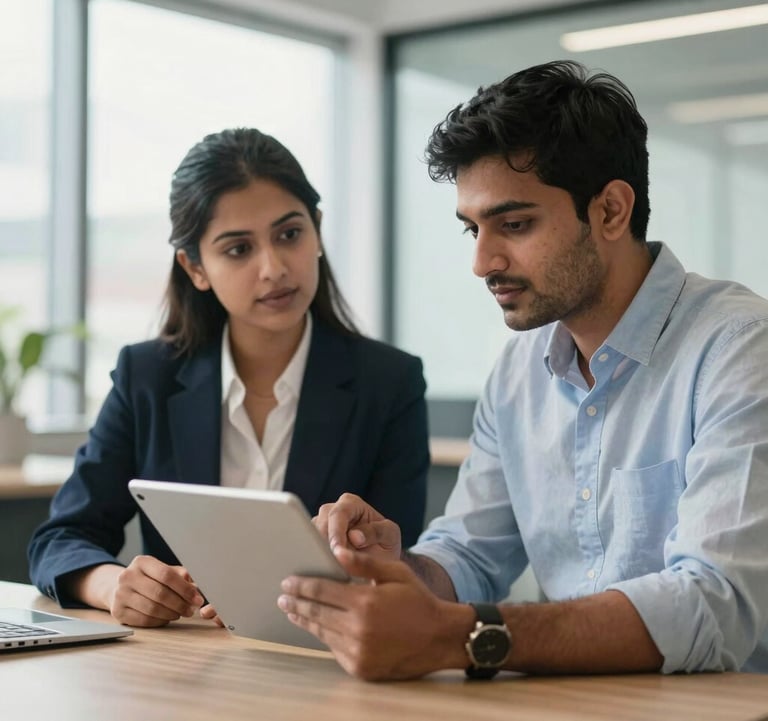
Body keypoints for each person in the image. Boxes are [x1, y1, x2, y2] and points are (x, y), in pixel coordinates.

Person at [276, 60, 768, 680]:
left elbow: (713, 605)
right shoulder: (518, 371)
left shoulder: (742, 349)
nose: (483, 262)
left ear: (612, 210)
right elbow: (469, 555)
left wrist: (464, 636)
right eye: (472, 229)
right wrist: (398, 571)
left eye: (514, 224)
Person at [28, 128, 429, 628]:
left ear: (317, 231)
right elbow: (59, 539)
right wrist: (114, 587)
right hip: (184, 669)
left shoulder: (389, 382)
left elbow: (400, 561)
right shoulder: (147, 377)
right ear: (195, 268)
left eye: (289, 234)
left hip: (323, 665)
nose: (273, 268)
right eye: (238, 249)